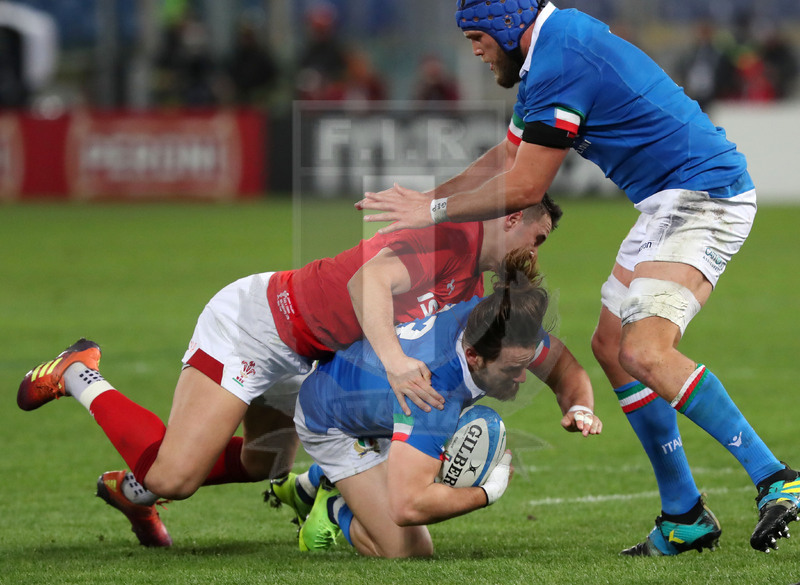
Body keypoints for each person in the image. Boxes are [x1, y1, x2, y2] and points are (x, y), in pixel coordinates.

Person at [356, 0, 799, 555]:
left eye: (476, 35)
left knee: (645, 351)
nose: (473, 49)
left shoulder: (558, 60)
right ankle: (684, 515)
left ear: (505, 24)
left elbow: (523, 188)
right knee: (612, 348)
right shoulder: (551, 49)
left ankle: (774, 476)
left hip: (703, 196)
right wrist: (430, 198)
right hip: (666, 201)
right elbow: (506, 157)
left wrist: (435, 214)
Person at [16, 196, 562, 548]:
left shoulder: (470, 287)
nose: (536, 251)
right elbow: (365, 284)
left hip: (308, 360)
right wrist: (396, 364)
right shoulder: (448, 240)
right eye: (537, 237)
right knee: (174, 479)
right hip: (255, 328)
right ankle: (78, 373)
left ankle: (131, 495)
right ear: (511, 218)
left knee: (260, 462)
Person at [293, 250, 602, 557]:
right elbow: (407, 505)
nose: (523, 378)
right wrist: (486, 493)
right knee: (408, 549)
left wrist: (580, 407)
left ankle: (328, 478)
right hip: (330, 420)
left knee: (440, 453)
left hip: (376, 400)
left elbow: (565, 370)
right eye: (511, 370)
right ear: (472, 357)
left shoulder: (496, 326)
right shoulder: (432, 394)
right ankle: (335, 506)